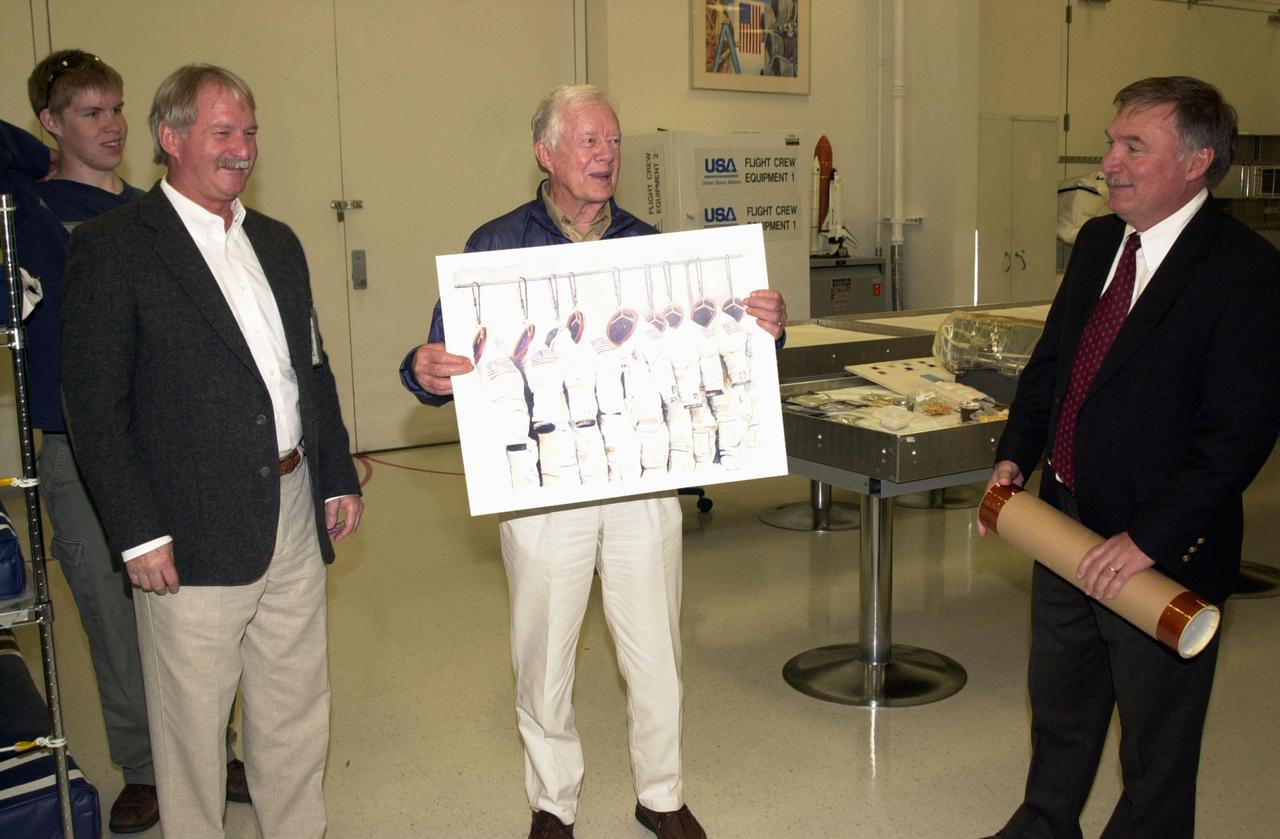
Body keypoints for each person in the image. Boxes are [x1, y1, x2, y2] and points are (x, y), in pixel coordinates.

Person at [401, 84, 787, 839]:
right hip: (544, 485)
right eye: (588, 141)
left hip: (641, 474)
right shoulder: (495, 248)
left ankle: (662, 794)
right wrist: (421, 370)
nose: (606, 154)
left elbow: (715, 351)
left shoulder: (657, 247)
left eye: (613, 141)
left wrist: (765, 329)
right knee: (543, 652)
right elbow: (443, 370)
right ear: (545, 152)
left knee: (656, 649)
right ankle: (553, 800)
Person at [60, 64, 362, 839]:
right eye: (223, 132)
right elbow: (95, 407)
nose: (242, 149)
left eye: (251, 132)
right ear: (171, 138)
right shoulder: (115, 248)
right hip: (185, 526)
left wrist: (333, 474)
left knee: (294, 701)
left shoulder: (278, 242)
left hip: (293, 510)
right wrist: (137, 531)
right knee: (192, 724)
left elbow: (310, 368)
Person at [981, 76, 1280, 839]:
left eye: (1132, 146)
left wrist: (1149, 539)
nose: (1108, 161)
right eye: (1111, 142)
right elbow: (1053, 363)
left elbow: (1238, 433)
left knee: (1157, 740)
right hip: (1065, 516)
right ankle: (1044, 822)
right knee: (1061, 704)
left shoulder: (1245, 271)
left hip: (1162, 549)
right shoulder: (1096, 242)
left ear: (1195, 161)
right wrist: (1017, 455)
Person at [0, 50, 248, 834]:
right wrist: (32, 152)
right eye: (87, 114)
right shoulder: (29, 208)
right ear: (50, 122)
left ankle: (215, 745)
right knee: (110, 611)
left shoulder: (155, 211)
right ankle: (143, 762)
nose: (109, 128)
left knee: (193, 605)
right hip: (74, 441)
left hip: (165, 437)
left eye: (116, 111)